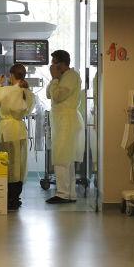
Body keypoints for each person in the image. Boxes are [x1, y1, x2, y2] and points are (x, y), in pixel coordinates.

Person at [0, 63, 35, 211]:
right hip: (19, 130)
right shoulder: (28, 93)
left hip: (6, 130)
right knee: (18, 165)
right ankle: (15, 197)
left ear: (11, 75)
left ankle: (7, 197)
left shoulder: (5, 90)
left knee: (6, 164)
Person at [45, 50, 85, 204]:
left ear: (61, 64)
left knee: (62, 156)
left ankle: (63, 194)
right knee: (65, 157)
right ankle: (69, 194)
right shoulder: (61, 77)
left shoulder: (71, 76)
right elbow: (49, 94)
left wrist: (55, 78)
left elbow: (58, 96)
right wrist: (54, 79)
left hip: (67, 122)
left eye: (54, 63)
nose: (52, 66)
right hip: (61, 121)